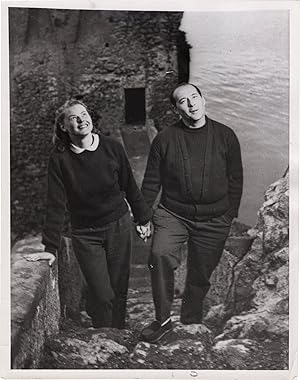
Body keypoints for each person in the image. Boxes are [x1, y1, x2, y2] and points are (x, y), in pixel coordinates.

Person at [25, 99, 151, 329]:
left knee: (118, 289)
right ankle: (103, 333)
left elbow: (129, 185)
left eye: (84, 114)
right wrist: (51, 247)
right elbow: (55, 204)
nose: (82, 120)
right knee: (102, 294)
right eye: (74, 117)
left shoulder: (112, 147)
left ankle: (118, 334)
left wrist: (143, 219)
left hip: (118, 226)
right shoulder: (60, 159)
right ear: (63, 127)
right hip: (86, 234)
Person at [139, 82, 243, 343]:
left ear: (203, 100)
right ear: (176, 109)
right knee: (159, 255)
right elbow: (151, 182)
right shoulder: (165, 140)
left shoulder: (226, 135)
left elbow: (235, 179)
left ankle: (191, 320)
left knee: (200, 274)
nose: (192, 104)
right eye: (184, 101)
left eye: (195, 97)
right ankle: (162, 321)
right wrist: (142, 217)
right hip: (173, 214)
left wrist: (228, 215)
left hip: (215, 218)